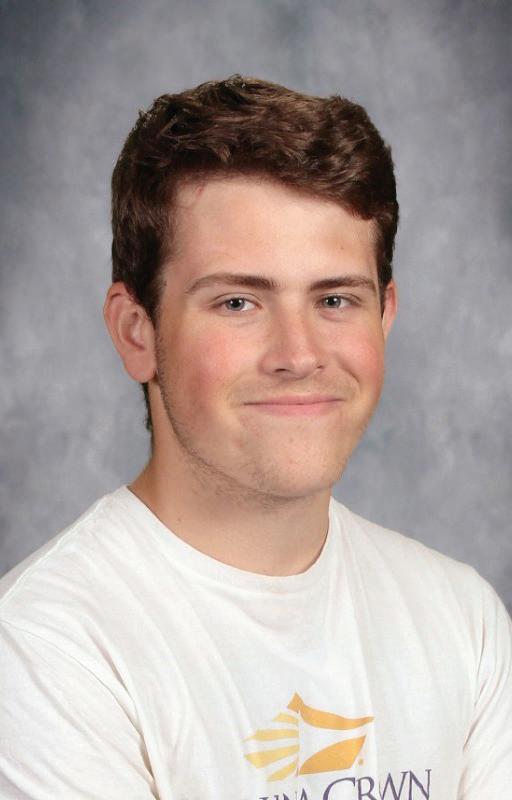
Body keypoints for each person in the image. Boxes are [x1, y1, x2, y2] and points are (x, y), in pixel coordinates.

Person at [0, 75, 510, 799]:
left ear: (385, 317)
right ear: (136, 332)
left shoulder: (462, 620)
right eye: (238, 302)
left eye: (336, 299)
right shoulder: (46, 649)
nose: (298, 354)